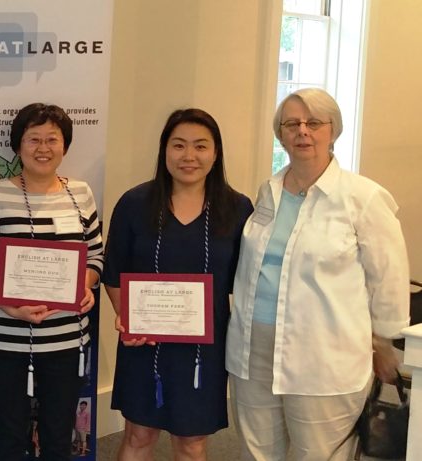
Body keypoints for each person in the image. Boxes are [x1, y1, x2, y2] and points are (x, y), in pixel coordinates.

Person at [228, 88, 409, 460]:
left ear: (333, 130)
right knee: (256, 453)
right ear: (281, 134)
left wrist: (382, 342)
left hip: (324, 357)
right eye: (291, 124)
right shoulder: (268, 191)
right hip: (253, 350)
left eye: (313, 122)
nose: (302, 131)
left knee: (319, 454)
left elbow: (388, 279)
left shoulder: (363, 198)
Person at [102, 109, 252, 461]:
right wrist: (129, 320)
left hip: (204, 349)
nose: (189, 156)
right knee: (139, 434)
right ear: (164, 150)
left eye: (200, 146)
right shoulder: (134, 203)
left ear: (215, 153)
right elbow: (114, 270)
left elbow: (246, 280)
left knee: (192, 442)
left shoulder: (238, 208)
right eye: (179, 145)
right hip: (144, 342)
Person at [0, 103, 103, 461]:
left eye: (52, 139)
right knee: (9, 437)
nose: (43, 148)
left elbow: (95, 256)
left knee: (58, 437)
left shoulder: (81, 194)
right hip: (7, 339)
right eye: (33, 139)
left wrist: (84, 285)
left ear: (65, 146)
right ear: (18, 145)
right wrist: (10, 305)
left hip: (66, 338)